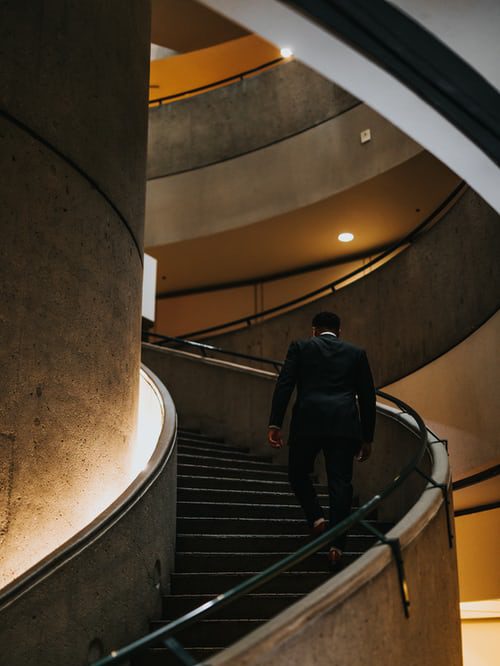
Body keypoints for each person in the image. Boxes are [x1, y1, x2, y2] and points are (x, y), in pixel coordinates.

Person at [267, 311, 376, 569]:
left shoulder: (301, 347)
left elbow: (285, 384)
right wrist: (367, 437)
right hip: (344, 425)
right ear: (339, 332)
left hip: (308, 423)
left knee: (297, 472)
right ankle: (337, 546)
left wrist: (275, 422)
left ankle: (316, 519)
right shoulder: (356, 353)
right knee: (341, 484)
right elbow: (368, 397)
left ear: (313, 330)